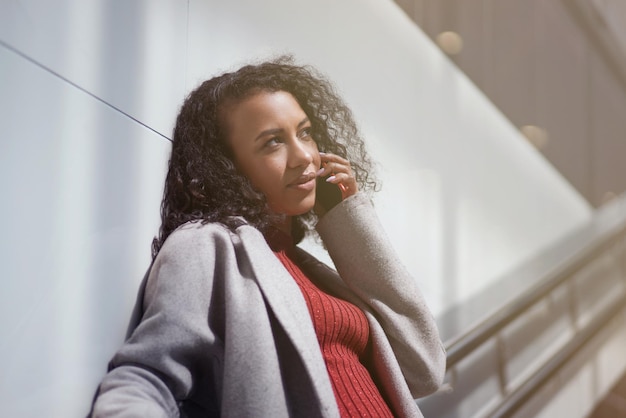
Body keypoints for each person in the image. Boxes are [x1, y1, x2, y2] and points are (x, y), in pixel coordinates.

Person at [90, 57, 446, 417]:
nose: (304, 156)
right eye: (273, 142)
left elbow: (424, 369)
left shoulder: (309, 268)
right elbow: (148, 377)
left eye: (304, 132)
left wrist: (348, 220)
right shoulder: (206, 245)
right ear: (226, 166)